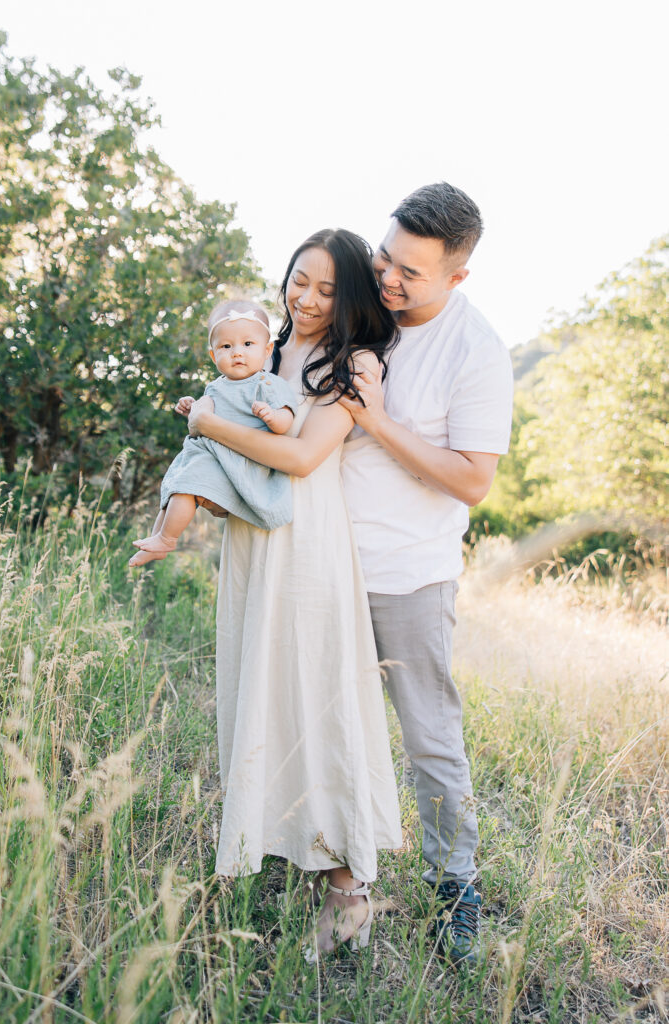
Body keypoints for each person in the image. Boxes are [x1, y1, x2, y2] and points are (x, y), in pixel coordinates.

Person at [187, 229, 403, 957]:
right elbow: (231, 459)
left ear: (350, 297)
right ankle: (282, 841)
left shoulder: (357, 362)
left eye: (325, 288)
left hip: (309, 549)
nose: (306, 299)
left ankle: (348, 888)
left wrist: (210, 423)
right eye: (297, 281)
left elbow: (304, 456)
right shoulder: (259, 349)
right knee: (265, 688)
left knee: (318, 696)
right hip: (253, 541)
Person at [339, 182, 513, 965]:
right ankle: (334, 872)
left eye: (411, 271)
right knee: (333, 726)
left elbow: (472, 479)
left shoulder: (476, 352)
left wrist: (378, 421)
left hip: (411, 576)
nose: (389, 279)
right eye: (384, 256)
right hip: (324, 566)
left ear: (456, 277)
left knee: (430, 740)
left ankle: (454, 892)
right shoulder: (360, 308)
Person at [129, 300, 298, 568]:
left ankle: (167, 539)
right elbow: (206, 417)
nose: (237, 353)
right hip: (210, 453)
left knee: (185, 490)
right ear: (213, 355)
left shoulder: (267, 384)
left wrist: (272, 416)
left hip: (237, 457)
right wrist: (191, 407)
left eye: (247, 344)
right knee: (174, 488)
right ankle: (157, 537)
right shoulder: (217, 386)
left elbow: (287, 418)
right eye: (226, 346)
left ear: (267, 350)